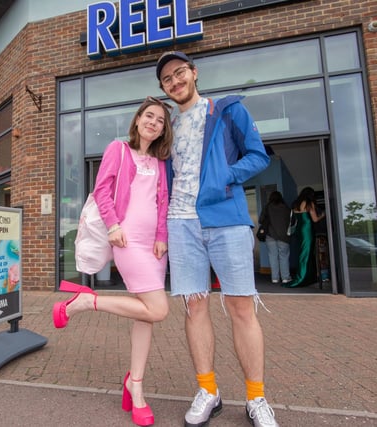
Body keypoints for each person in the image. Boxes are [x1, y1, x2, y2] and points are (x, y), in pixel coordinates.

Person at [156, 51, 279, 427]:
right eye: (167, 80)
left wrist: (223, 176)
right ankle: (208, 390)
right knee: (195, 307)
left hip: (225, 220)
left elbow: (259, 156)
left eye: (179, 73)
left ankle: (256, 399)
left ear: (194, 73)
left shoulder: (226, 110)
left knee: (241, 307)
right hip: (181, 224)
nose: (175, 82)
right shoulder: (168, 127)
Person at [52, 96, 172, 427]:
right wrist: (114, 225)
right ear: (137, 121)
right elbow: (102, 191)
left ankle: (135, 386)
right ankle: (88, 300)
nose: (153, 123)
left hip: (153, 246)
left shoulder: (159, 162)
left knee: (146, 316)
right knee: (158, 309)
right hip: (127, 239)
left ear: (163, 130)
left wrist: (163, 236)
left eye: (160, 120)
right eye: (149, 116)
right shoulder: (118, 150)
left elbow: (163, 202)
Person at [283, 186, 325, 288]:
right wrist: (323, 214)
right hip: (307, 229)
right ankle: (302, 277)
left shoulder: (296, 204)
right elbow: (314, 219)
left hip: (299, 230)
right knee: (306, 254)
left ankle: (305, 276)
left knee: (302, 252)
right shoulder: (309, 203)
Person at [259, 191, 291, 284]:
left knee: (273, 257)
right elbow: (290, 221)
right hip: (284, 236)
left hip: (270, 235)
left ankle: (275, 278)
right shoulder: (285, 208)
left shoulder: (267, 207)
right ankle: (285, 278)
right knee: (284, 256)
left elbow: (261, 220)